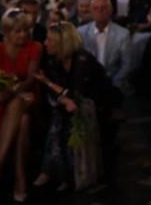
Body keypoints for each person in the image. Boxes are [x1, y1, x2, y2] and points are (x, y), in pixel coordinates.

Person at [32, 22, 122, 192]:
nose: (45, 43)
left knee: (66, 119)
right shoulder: (53, 60)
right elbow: (56, 94)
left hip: (96, 104)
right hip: (68, 103)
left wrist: (48, 83)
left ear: (62, 42)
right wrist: (61, 97)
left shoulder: (82, 60)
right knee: (59, 118)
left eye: (50, 40)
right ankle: (55, 171)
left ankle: (65, 174)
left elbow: (77, 94)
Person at [0, 12, 42, 202]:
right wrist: (2, 94)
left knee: (19, 103)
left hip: (31, 99)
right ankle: (20, 175)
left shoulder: (35, 47)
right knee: (23, 121)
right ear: (6, 32)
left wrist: (13, 91)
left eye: (26, 30)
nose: (23, 35)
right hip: (4, 105)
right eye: (18, 31)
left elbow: (32, 79)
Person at [78, 0, 132, 89]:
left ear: (111, 10)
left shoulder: (123, 34)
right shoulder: (81, 33)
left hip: (113, 83)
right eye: (95, 8)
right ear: (91, 12)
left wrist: (114, 85)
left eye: (103, 8)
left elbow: (127, 65)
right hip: (86, 83)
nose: (100, 11)